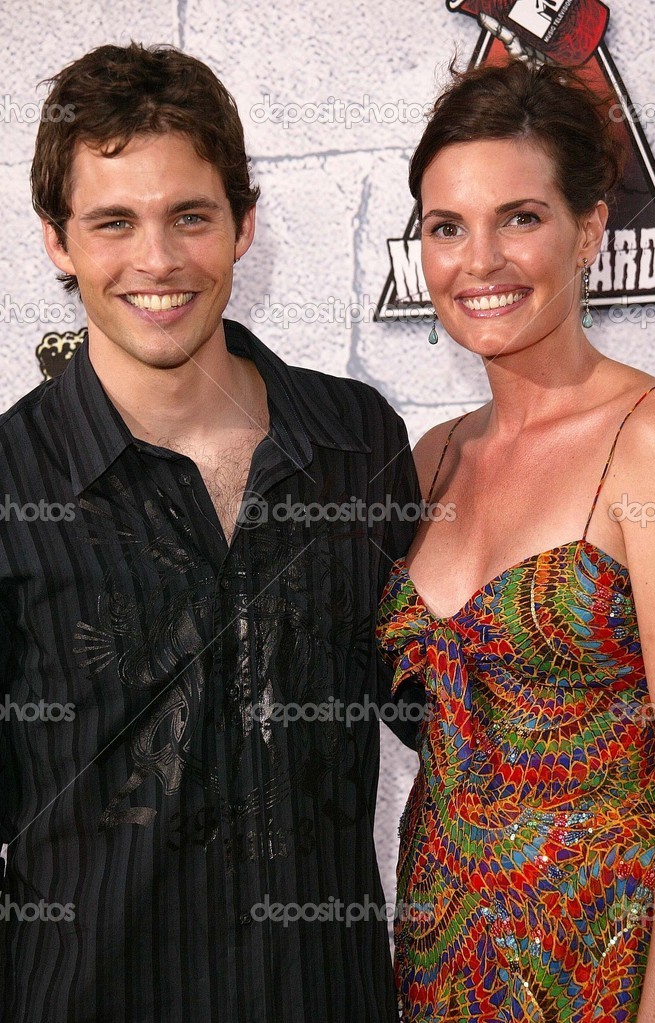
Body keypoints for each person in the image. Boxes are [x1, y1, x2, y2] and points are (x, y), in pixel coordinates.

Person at [0, 43, 423, 1022]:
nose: (157, 260)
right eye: (114, 222)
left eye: (190, 215)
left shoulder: (357, 441)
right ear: (59, 242)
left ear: (243, 225)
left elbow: (438, 707)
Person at [376, 58, 655, 1022]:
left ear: (591, 227)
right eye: (446, 227)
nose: (480, 262)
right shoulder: (429, 459)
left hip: (606, 972)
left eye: (521, 217)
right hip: (435, 960)